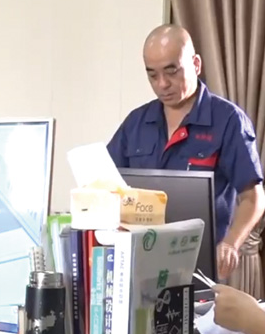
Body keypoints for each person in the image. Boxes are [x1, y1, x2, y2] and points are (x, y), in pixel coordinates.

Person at [107, 24, 265, 280]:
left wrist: (231, 244)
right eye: (153, 75)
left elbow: (253, 197)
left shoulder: (227, 120)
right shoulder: (136, 123)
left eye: (172, 71)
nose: (162, 84)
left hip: (199, 267)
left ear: (196, 64)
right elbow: (106, 185)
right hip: (138, 263)